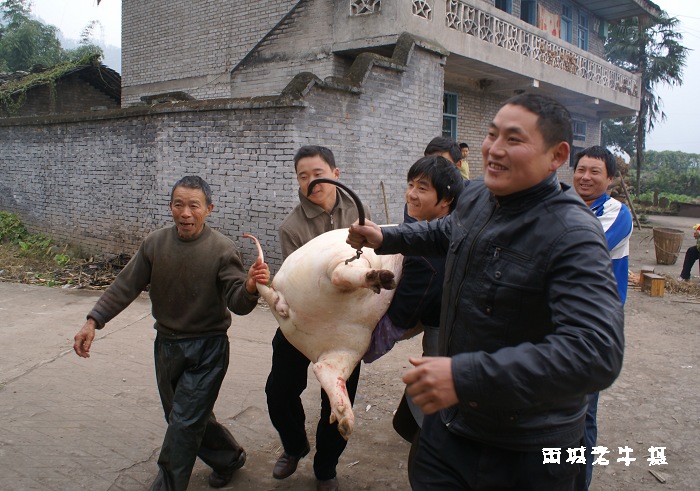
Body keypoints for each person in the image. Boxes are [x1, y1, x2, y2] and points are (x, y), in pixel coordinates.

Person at [347, 93, 624, 490]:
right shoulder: (476, 196)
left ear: (557, 155)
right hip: (452, 425)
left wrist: (466, 375)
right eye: (492, 134)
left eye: (513, 139)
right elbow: (446, 231)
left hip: (527, 446)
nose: (494, 149)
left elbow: (596, 353)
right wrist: (386, 237)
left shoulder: (573, 234)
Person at [73, 176, 270, 491]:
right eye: (179, 204)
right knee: (186, 417)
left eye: (194, 205)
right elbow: (126, 285)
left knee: (183, 423)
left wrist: (248, 287)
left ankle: (167, 485)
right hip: (167, 346)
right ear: (171, 207)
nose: (186, 213)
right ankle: (228, 457)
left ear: (209, 209)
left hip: (208, 350)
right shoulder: (156, 243)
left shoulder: (221, 249)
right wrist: (93, 321)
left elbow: (239, 303)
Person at [265, 145, 370, 491]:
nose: (312, 182)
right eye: (303, 176)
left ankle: (326, 468)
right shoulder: (291, 227)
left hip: (345, 327)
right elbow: (297, 285)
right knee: (279, 392)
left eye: (318, 174)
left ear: (335, 174)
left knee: (339, 399)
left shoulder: (358, 211)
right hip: (304, 322)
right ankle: (295, 446)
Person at [362, 155, 465, 458]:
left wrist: (377, 338)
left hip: (446, 326)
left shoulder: (435, 246)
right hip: (440, 321)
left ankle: (431, 448)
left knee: (435, 388)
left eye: (422, 188)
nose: (411, 194)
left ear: (446, 199)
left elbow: (409, 304)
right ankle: (415, 430)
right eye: (410, 185)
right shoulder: (423, 225)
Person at [572, 145, 633, 490]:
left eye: (595, 171)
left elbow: (582, 249)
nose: (585, 177)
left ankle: (579, 482)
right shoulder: (563, 204)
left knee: (583, 410)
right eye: (581, 169)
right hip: (559, 316)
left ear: (610, 178)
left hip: (594, 323)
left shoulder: (616, 213)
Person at [403, 136, 462, 223]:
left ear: (448, 199)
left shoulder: (468, 208)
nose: (411, 195)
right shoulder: (414, 207)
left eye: (442, 162)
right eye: (411, 185)